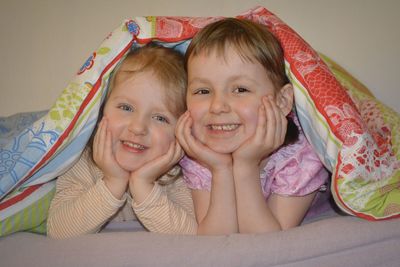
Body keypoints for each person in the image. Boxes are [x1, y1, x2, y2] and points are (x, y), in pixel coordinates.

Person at [176, 18, 330, 235]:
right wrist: (220, 169)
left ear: (282, 101)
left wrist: (245, 166)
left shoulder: (300, 156)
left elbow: (264, 240)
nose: (218, 106)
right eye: (203, 91)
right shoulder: (198, 155)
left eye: (240, 89)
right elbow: (214, 237)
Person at [47, 43, 197, 239]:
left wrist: (143, 185)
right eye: (126, 108)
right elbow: (58, 232)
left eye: (160, 118)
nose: (138, 127)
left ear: (181, 131)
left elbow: (191, 235)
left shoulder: (178, 174)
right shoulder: (83, 162)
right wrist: (113, 182)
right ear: (100, 112)